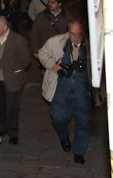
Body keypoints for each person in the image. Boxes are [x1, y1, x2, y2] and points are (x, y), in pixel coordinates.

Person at [38, 20, 91, 164]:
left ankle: (79, 152)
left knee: (83, 122)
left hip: (82, 91)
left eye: (78, 34)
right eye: (72, 34)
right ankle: (63, 136)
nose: (75, 38)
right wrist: (53, 66)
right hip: (60, 88)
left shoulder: (92, 46)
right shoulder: (57, 42)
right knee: (58, 117)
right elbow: (42, 53)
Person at [0, 16, 32, 145]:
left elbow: (26, 59)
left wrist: (16, 70)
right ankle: (1, 128)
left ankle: (13, 133)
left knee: (12, 107)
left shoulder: (17, 40)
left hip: (13, 79)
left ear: (5, 27)